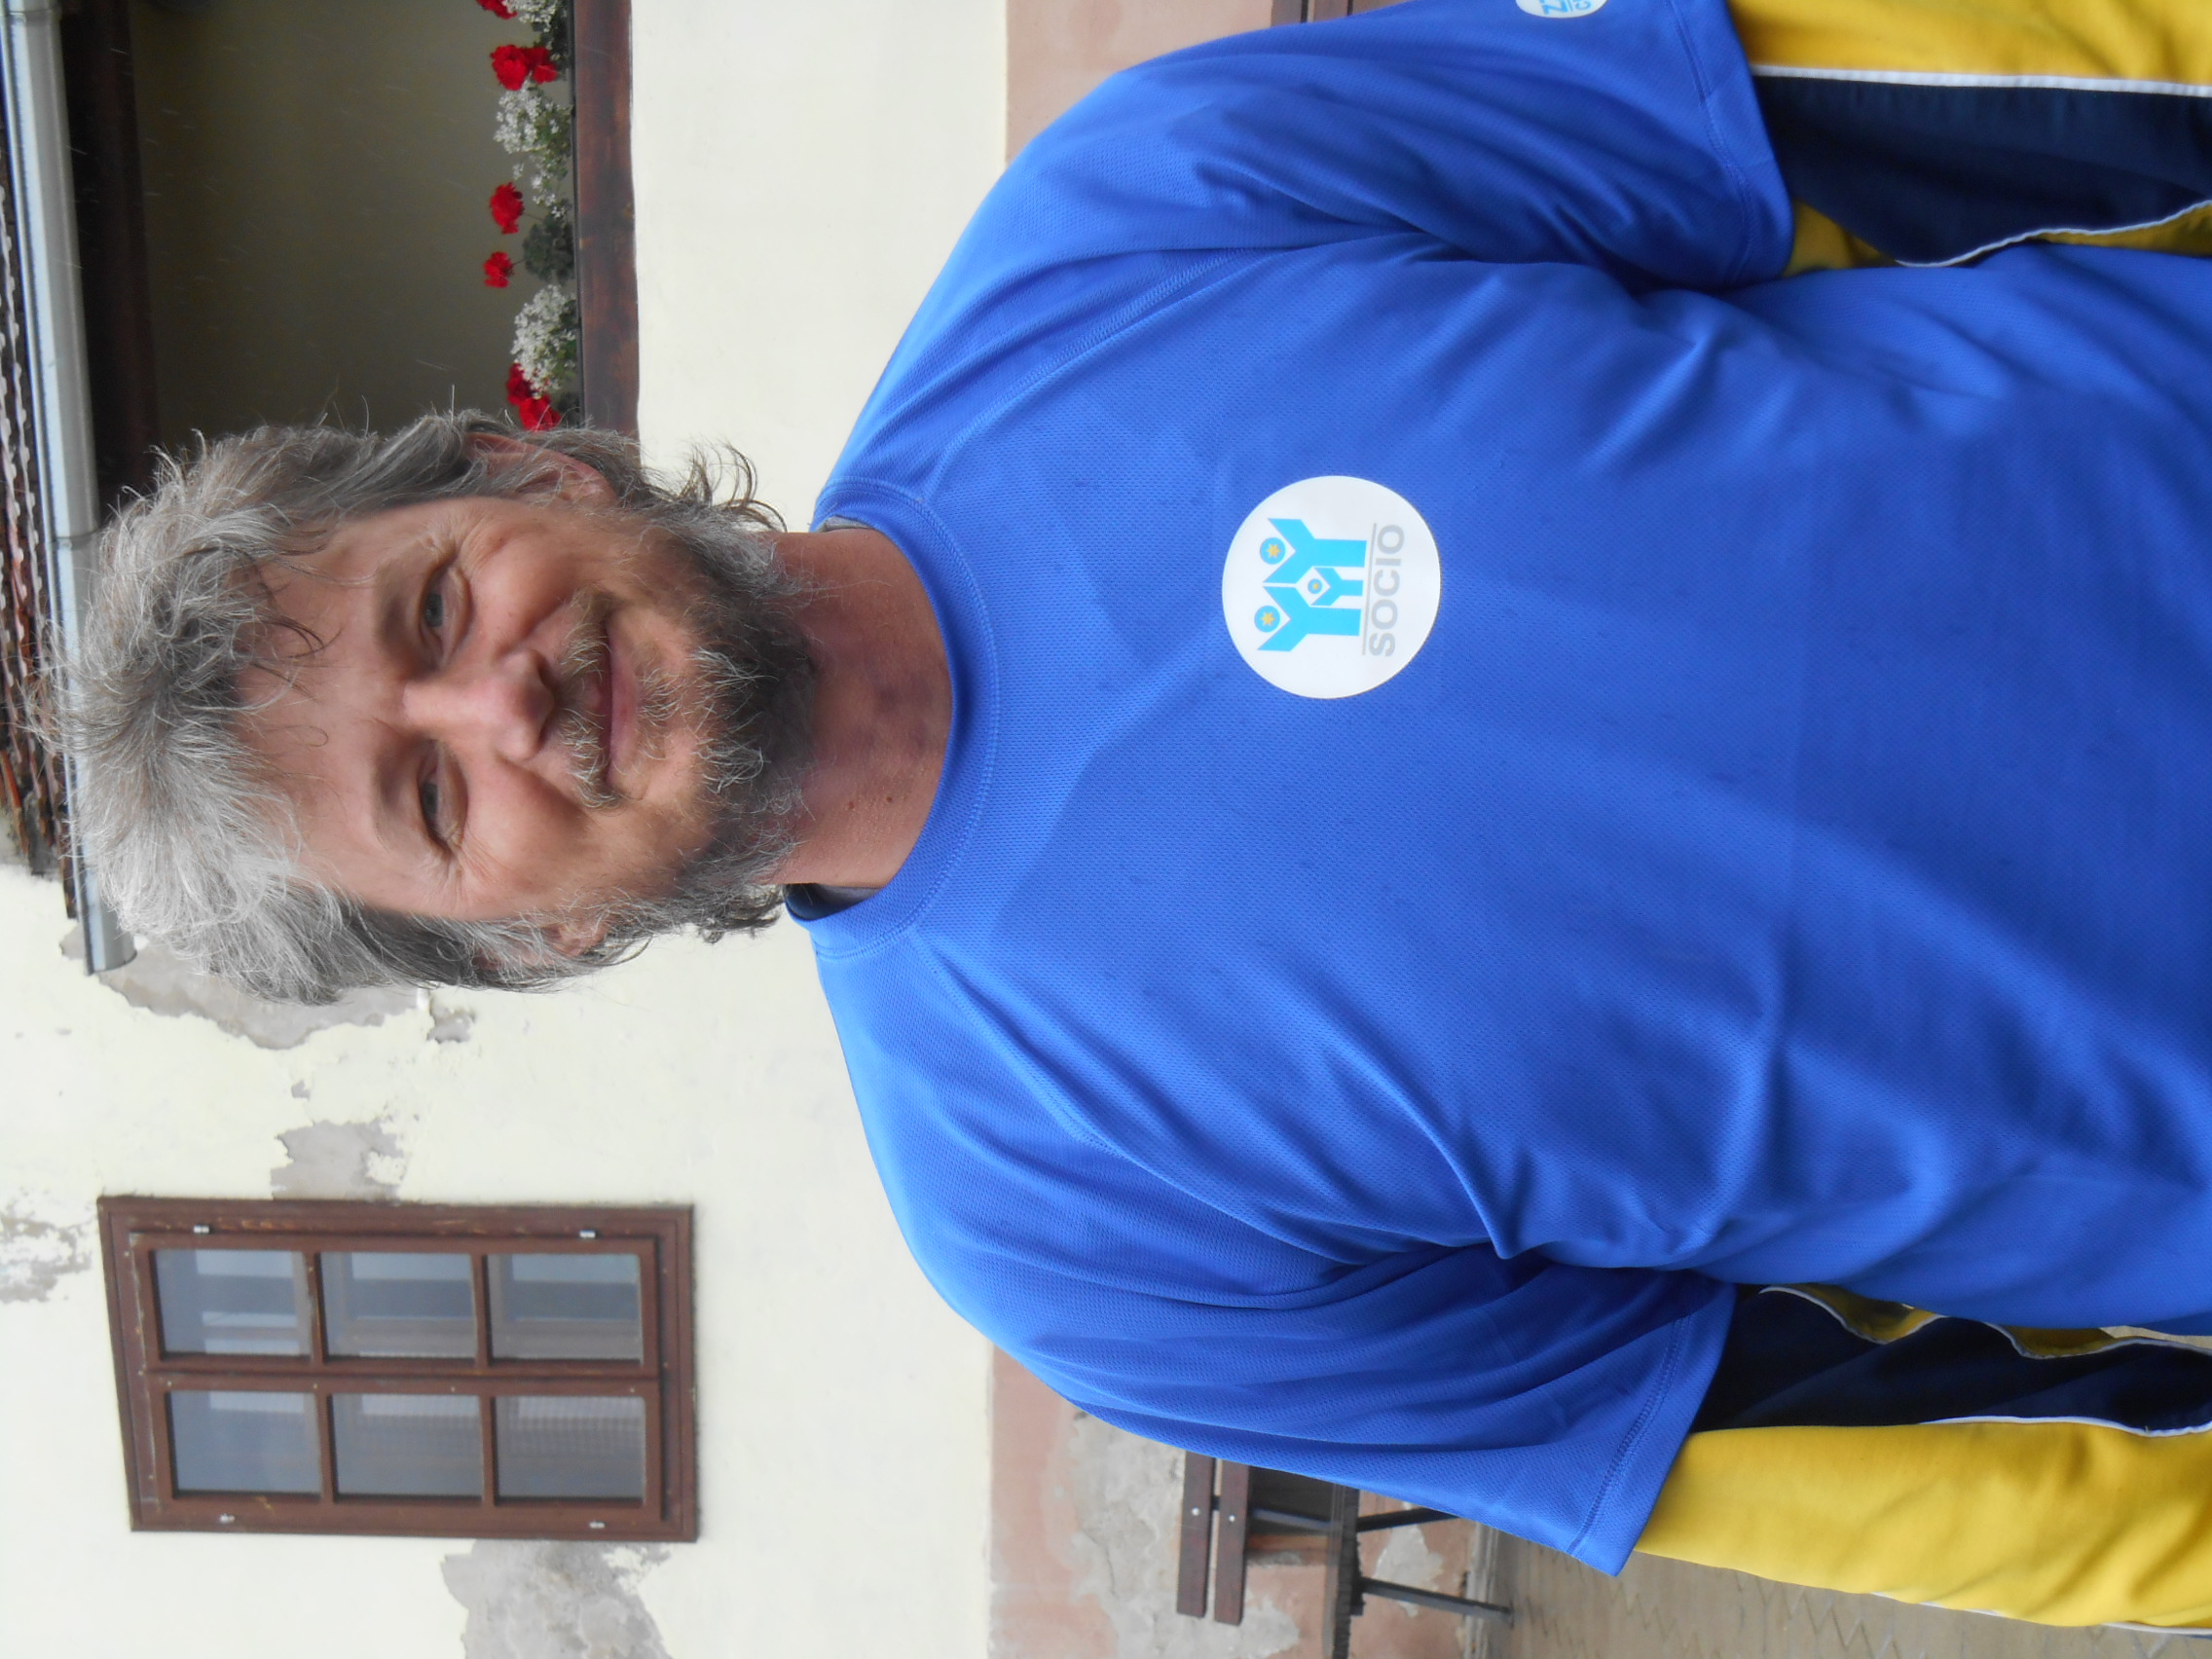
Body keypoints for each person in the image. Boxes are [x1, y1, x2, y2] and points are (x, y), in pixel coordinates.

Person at [57, 0, 2212, 1626]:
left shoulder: (1140, 210)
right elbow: (1892, 1453)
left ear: (529, 469)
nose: (503, 700)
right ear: (538, 938)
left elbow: (1993, 95)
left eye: (435, 607)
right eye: (430, 793)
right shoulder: (1066, 1234)